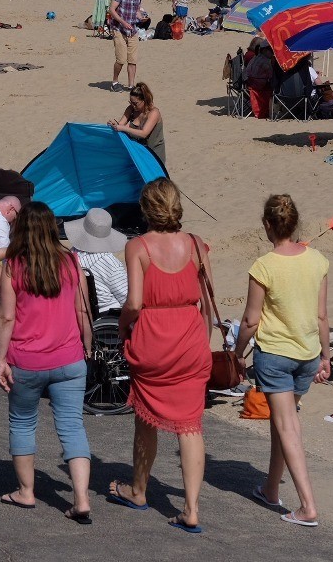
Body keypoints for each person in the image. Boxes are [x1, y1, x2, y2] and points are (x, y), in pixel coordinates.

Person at [111, 178, 214, 533]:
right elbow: (207, 302)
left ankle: (139, 489)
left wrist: (123, 327)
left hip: (154, 339)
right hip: (190, 338)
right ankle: (192, 508)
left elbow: (135, 303)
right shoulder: (198, 246)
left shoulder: (137, 246)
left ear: (146, 208)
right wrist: (204, 338)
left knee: (146, 416)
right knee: (191, 425)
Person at [0, 201, 93, 522]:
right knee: (72, 426)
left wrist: (0, 358)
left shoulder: (14, 265)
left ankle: (26, 491)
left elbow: (7, 317)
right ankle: (80, 499)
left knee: (23, 422)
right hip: (70, 358)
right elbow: (82, 309)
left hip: (27, 360)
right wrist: (87, 343)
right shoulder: (70, 261)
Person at [236, 195, 329, 528]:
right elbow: (321, 315)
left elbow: (250, 320)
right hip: (306, 354)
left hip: (276, 355)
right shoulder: (317, 259)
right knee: (282, 421)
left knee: (287, 425)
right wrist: (326, 355)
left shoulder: (264, 266)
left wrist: (236, 353)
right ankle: (271, 488)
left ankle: (307, 506)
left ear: (267, 225)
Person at [65, 208, 129, 314]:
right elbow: (126, 297)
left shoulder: (72, 255)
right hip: (110, 315)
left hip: (82, 313)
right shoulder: (107, 261)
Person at [109, 82, 166, 164]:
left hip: (154, 152)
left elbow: (144, 133)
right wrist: (114, 124)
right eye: (131, 102)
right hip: (137, 151)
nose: (133, 105)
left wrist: (123, 128)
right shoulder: (131, 109)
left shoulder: (154, 113)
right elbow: (120, 124)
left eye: (135, 103)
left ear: (144, 100)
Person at [108, 0, 146, 91]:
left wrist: (141, 17)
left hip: (133, 30)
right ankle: (114, 82)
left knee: (133, 60)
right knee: (121, 59)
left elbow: (136, 10)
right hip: (118, 29)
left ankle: (131, 85)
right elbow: (112, 10)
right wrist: (123, 22)